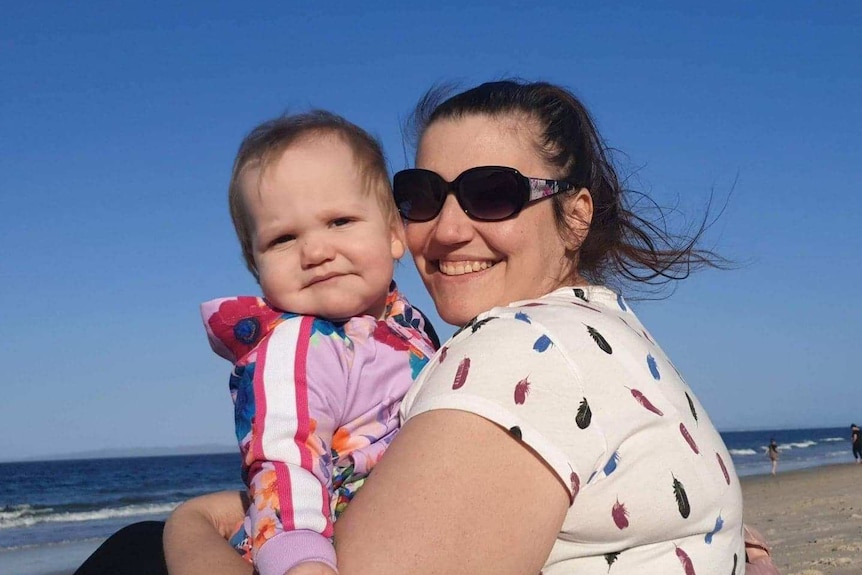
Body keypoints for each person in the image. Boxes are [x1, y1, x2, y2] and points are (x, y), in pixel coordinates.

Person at [78, 80, 770, 574]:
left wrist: (190, 527)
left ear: (577, 212)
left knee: (142, 546)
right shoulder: (613, 335)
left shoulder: (523, 348)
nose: (445, 228)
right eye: (422, 196)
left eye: (491, 192)